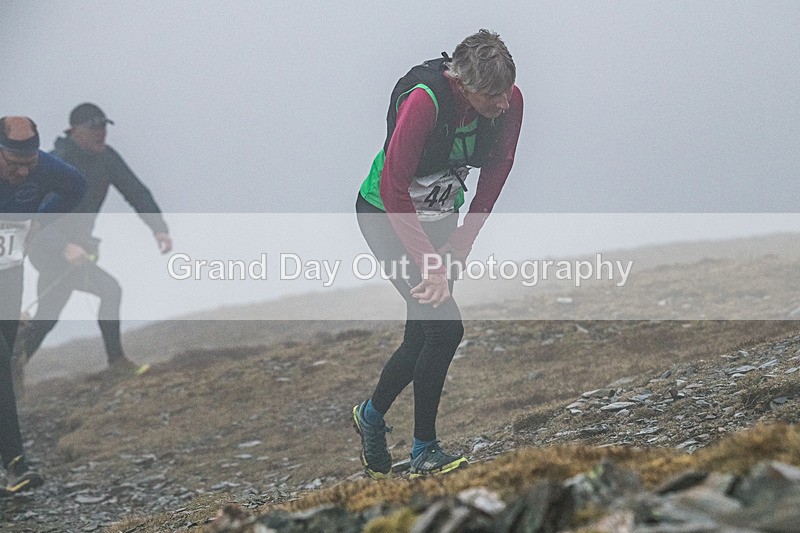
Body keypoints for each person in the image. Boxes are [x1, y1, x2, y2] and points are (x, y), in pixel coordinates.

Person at [352, 29, 524, 478]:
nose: (502, 104)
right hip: (386, 215)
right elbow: (393, 187)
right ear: (462, 84)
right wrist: (430, 263)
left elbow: (498, 168)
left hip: (440, 217)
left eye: (506, 92)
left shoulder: (509, 101)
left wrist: (462, 241)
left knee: (423, 335)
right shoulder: (426, 101)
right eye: (492, 96)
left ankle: (370, 416)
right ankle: (425, 449)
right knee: (446, 330)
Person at [13, 103, 172, 388]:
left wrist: (158, 228)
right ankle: (117, 364)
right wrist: (64, 246)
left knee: (48, 315)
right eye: (94, 128)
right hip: (48, 247)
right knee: (109, 290)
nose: (101, 133)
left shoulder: (107, 159)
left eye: (104, 127)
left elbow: (135, 191)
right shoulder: (55, 163)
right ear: (75, 131)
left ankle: (13, 367)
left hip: (78, 248)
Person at [1, 116, 86, 493]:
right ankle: (16, 461)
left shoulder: (44, 168)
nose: (21, 173)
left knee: (5, 355)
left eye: (28, 166)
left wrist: (41, 221)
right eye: (12, 164)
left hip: (8, 271)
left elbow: (75, 186)